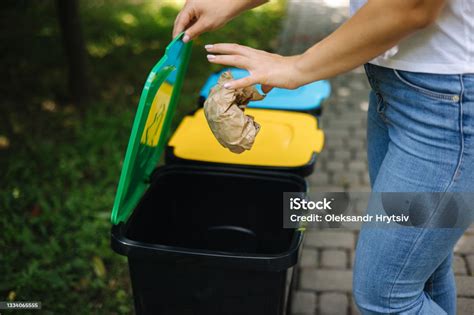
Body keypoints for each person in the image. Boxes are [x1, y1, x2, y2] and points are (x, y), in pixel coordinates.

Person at [173, 0, 473, 314]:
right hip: (397, 90)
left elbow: (413, 5)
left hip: (448, 106)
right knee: (425, 269)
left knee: (387, 297)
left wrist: (297, 67)